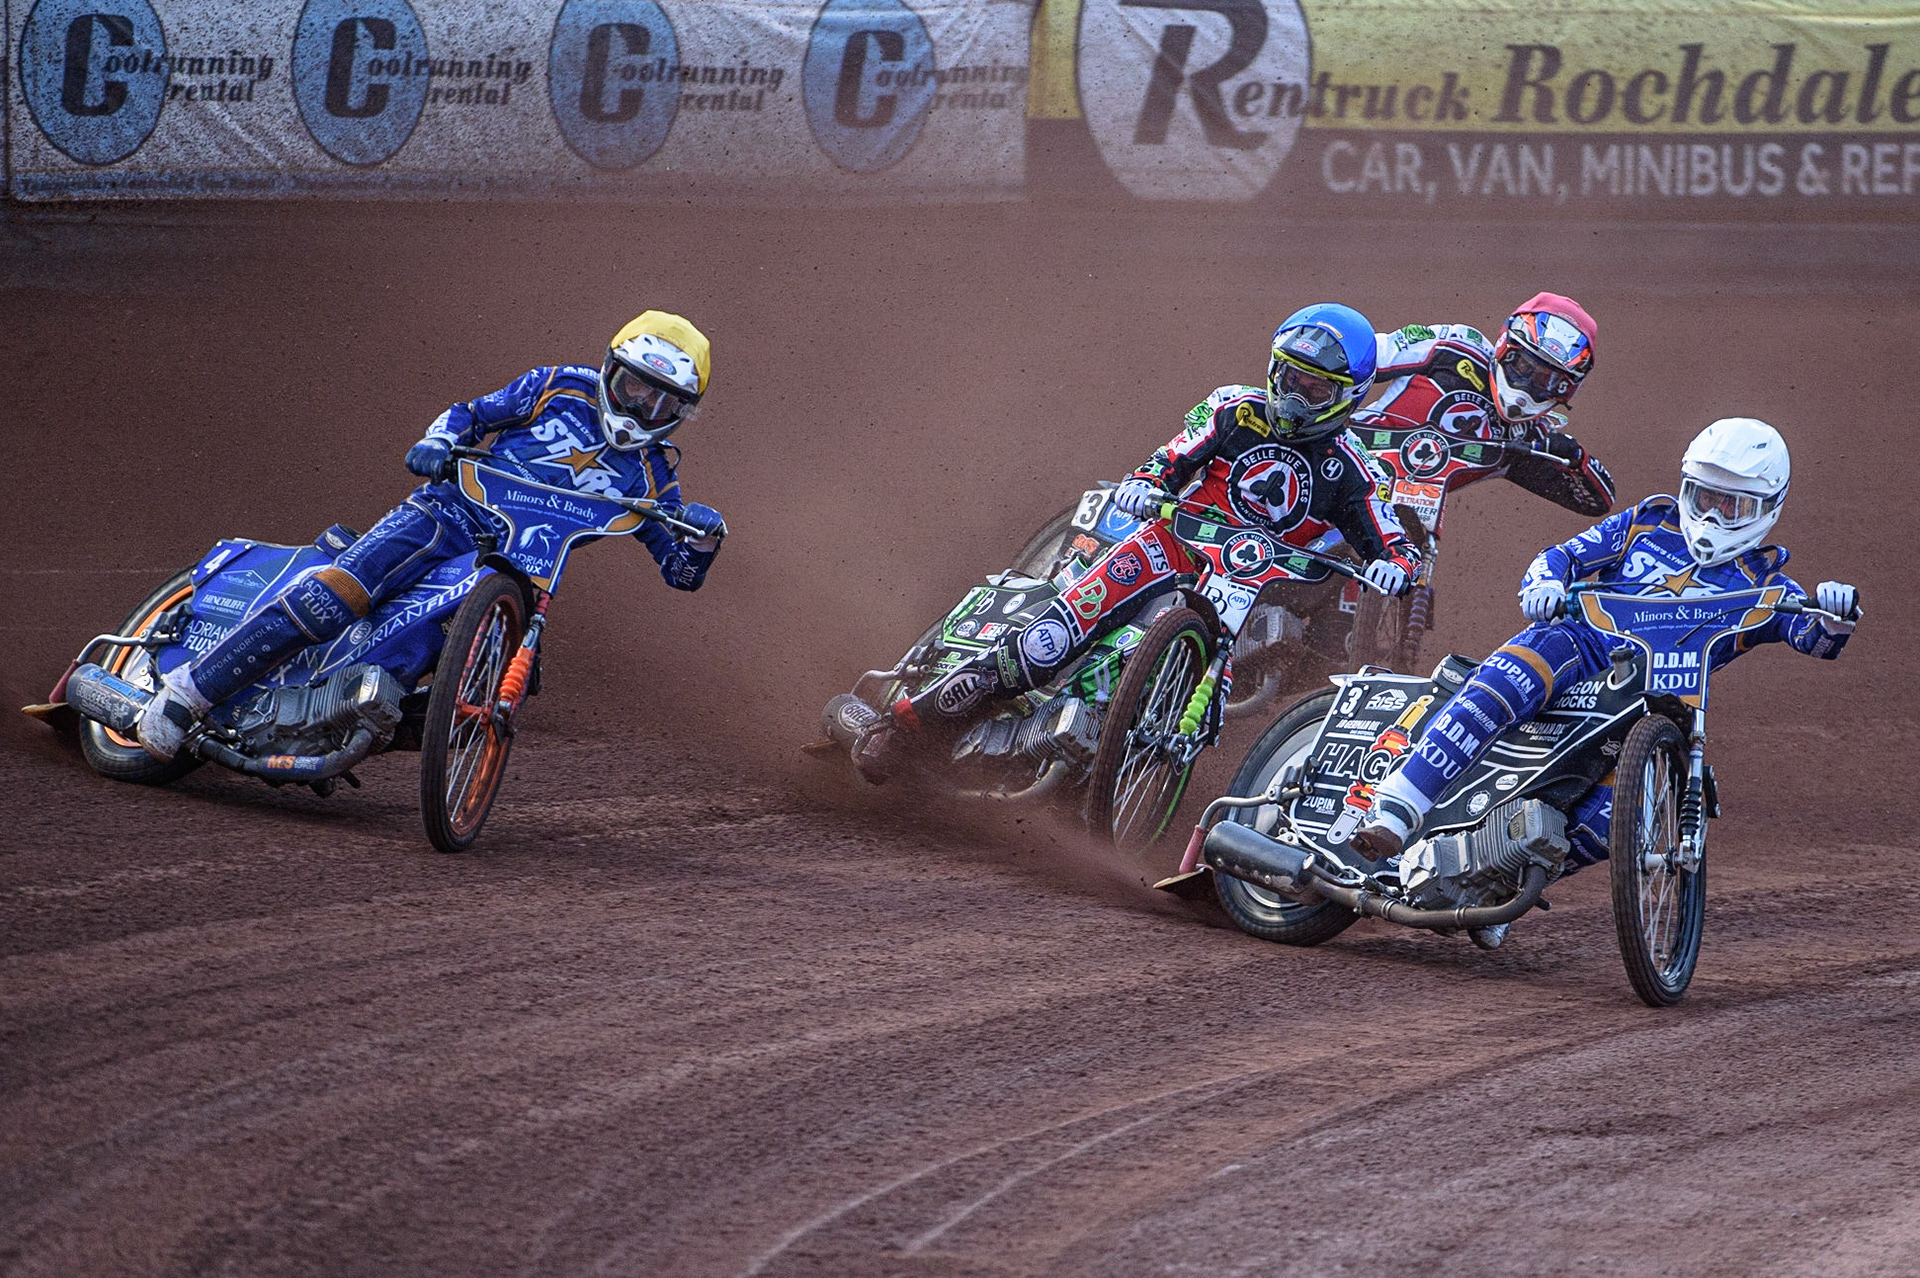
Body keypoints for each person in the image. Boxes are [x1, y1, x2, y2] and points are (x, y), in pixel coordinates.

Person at [850, 302, 1421, 782]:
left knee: (1215, 694)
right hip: (1169, 542)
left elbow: (1393, 541)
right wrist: (1144, 487)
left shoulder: (1354, 470)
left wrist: (1396, 566)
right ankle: (906, 723)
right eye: (1289, 376)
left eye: (1313, 386)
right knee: (1050, 638)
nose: (1294, 395)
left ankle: (1122, 753)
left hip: (1246, 578)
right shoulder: (1232, 409)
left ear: (1348, 394)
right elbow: (1167, 460)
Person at [136, 311, 728, 761]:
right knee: (339, 593)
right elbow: (468, 414)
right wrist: (438, 443)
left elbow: (680, 573)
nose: (643, 405)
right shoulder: (557, 385)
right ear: (610, 371)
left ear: (682, 412)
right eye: (634, 387)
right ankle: (187, 693)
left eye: (663, 400)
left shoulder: (655, 475)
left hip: (516, 576)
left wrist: (704, 540)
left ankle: (342, 717)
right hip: (447, 513)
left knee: (503, 684)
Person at [1350, 417, 1860, 865]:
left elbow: (1814, 637)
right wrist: (1543, 586)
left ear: (1766, 508)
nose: (1713, 516)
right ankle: (1397, 807)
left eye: (1732, 505)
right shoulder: (1648, 522)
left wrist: (1835, 612)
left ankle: (1499, 879)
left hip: (1660, 701)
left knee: (1607, 827)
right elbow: (1562, 557)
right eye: (1705, 498)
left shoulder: (1767, 582)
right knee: (1502, 687)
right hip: (1580, 642)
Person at [1361, 292, 1615, 518]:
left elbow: (1594, 503)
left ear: (1565, 389)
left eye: (1546, 381)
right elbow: (1363, 355)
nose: (1526, 385)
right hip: (1338, 457)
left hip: (1392, 522)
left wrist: (1575, 458)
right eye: (1525, 367)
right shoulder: (1454, 347)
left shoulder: (1525, 441)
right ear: (1506, 347)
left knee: (1410, 556)